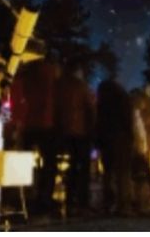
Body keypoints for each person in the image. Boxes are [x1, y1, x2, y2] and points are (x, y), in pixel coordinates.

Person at [13, 54, 61, 215]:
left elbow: (17, 98)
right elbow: (52, 100)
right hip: (46, 125)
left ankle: (23, 196)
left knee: (24, 162)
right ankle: (44, 197)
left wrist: (18, 121)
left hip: (28, 125)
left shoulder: (25, 75)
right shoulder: (51, 74)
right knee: (49, 164)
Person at [55, 63, 96, 215]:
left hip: (66, 131)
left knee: (72, 167)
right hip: (81, 132)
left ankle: (70, 198)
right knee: (83, 168)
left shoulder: (62, 88)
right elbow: (90, 107)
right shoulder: (81, 87)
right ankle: (82, 201)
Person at [96, 76, 137, 216]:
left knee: (108, 172)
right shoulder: (124, 100)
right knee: (123, 172)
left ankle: (108, 203)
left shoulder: (101, 103)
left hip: (106, 139)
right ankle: (124, 204)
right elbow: (128, 121)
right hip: (122, 139)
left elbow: (98, 123)